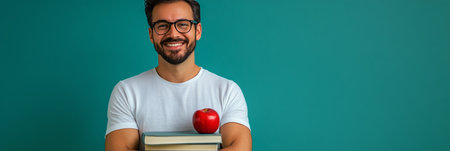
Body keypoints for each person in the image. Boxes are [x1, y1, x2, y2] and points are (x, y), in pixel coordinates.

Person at [104, 0, 252, 150]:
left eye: (182, 24)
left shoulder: (227, 91)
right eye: (162, 26)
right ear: (151, 34)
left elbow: (239, 147)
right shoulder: (126, 92)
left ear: (198, 31)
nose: (173, 34)